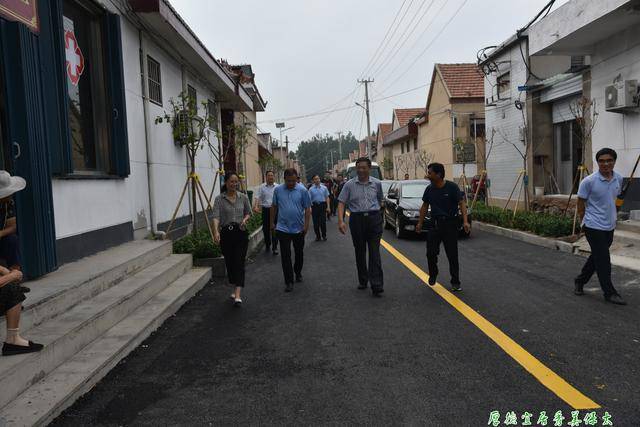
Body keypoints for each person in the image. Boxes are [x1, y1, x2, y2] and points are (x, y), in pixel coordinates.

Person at [574, 148, 626, 305]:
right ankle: (609, 292)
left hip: (609, 225)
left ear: (614, 161)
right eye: (602, 161)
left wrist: (616, 210)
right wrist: (583, 222)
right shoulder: (588, 181)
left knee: (597, 256)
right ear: (597, 163)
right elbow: (580, 203)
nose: (606, 163)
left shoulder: (619, 178)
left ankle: (580, 280)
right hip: (593, 225)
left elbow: (615, 200)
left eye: (609, 160)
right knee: (603, 259)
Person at [0, 171, 43, 356]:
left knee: (12, 241)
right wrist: (12, 276)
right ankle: (12, 341)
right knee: (11, 289)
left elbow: (13, 225)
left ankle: (13, 340)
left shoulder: (8, 204)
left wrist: (5, 272)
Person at [416, 163, 470, 292]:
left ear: (438, 174)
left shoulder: (452, 187)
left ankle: (455, 281)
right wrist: (420, 222)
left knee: (452, 255)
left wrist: (465, 221)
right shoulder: (429, 189)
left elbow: (461, 203)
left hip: (450, 225)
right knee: (431, 253)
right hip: (434, 225)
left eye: (430, 173)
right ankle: (433, 273)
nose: (428, 175)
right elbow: (424, 206)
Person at [338, 157, 385, 297]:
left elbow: (380, 199)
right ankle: (363, 280)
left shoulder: (377, 183)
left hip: (374, 218)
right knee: (360, 251)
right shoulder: (349, 185)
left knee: (374, 251)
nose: (361, 170)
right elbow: (341, 202)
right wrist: (341, 221)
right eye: (359, 168)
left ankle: (376, 285)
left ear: (369, 169)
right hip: (357, 219)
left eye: (364, 167)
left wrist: (378, 214)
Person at [213, 172, 252, 306]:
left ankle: (238, 294)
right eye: (231, 182)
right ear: (226, 182)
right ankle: (234, 286)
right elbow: (216, 216)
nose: (234, 184)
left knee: (239, 262)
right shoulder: (219, 199)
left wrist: (245, 220)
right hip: (226, 234)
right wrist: (216, 231)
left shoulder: (243, 197)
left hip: (241, 232)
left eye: (236, 182)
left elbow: (248, 213)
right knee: (230, 263)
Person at [271, 168, 311, 292]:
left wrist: (306, 225)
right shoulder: (278, 190)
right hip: (282, 228)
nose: (291, 183)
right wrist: (272, 222)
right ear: (284, 179)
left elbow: (307, 208)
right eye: (289, 181)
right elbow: (274, 206)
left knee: (299, 253)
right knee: (285, 255)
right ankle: (289, 281)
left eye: (293, 181)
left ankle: (297, 271)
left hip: (298, 228)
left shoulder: (303, 190)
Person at [254, 170, 278, 255]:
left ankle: (275, 247)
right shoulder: (262, 187)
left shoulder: (277, 187)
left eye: (272, 175)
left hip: (275, 210)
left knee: (274, 229)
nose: (271, 177)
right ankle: (268, 244)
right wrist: (256, 206)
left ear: (274, 177)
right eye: (269, 175)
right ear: (266, 177)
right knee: (266, 229)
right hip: (265, 210)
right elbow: (257, 197)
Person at [308, 175, 331, 241]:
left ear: (319, 179)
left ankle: (324, 235)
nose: (317, 180)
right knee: (315, 223)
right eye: (315, 179)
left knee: (323, 222)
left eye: (318, 178)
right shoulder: (311, 189)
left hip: (322, 206)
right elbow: (309, 200)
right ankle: (318, 236)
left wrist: (328, 207)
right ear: (313, 181)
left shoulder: (324, 188)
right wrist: (310, 208)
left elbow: (327, 198)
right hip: (314, 206)